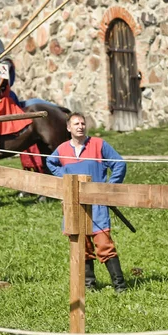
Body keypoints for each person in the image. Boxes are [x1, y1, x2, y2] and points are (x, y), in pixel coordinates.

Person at [46, 112, 127, 293]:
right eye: (76, 124)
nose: (80, 126)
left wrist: (109, 188)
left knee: (104, 244)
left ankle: (120, 286)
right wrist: (65, 177)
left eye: (82, 123)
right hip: (74, 204)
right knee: (82, 246)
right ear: (68, 128)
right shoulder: (61, 149)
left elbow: (119, 164)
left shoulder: (98, 145)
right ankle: (89, 285)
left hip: (97, 204)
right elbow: (50, 162)